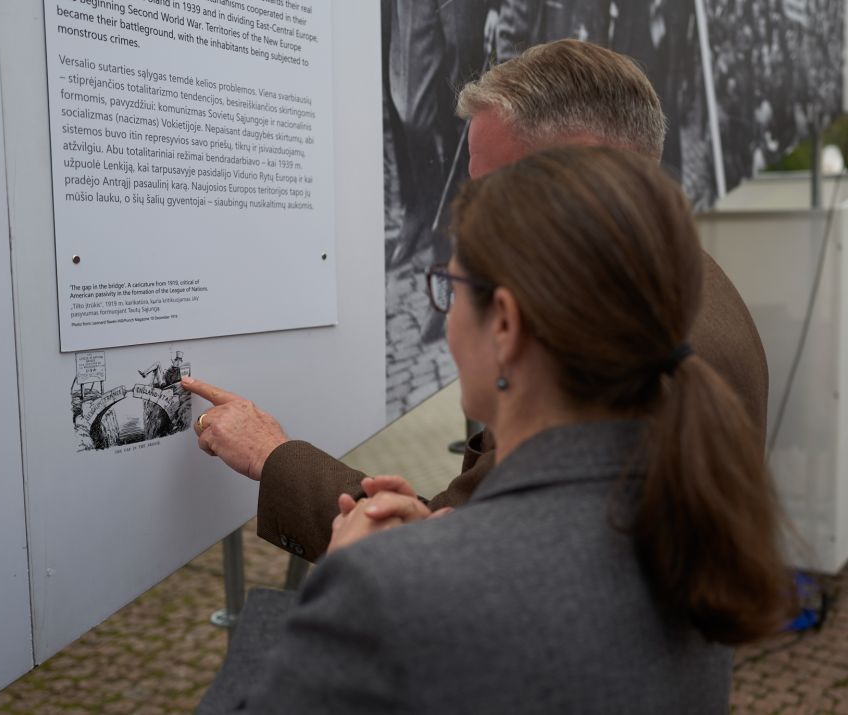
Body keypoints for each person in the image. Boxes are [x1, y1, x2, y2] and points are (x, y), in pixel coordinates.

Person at [196, 146, 792, 714]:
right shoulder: (699, 528)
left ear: (504, 324)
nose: (446, 317)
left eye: (451, 290)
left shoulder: (391, 591)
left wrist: (345, 581)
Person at [182, 40, 769, 564]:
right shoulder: (667, 278)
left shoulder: (618, 361)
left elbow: (458, 569)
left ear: (583, 165)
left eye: (488, 191)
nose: (466, 219)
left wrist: (272, 456)